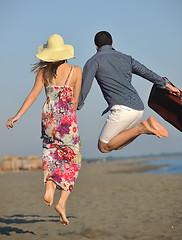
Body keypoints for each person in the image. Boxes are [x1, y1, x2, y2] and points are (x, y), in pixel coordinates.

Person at [6, 34, 82, 226]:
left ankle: (49, 187)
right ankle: (62, 202)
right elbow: (75, 101)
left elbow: (33, 95)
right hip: (66, 118)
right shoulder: (76, 70)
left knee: (51, 154)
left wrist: (17, 115)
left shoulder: (44, 72)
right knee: (72, 160)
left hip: (48, 116)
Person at [78, 31, 179, 153]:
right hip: (138, 109)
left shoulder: (93, 61)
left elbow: (85, 88)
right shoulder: (126, 58)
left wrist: (77, 106)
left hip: (122, 109)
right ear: (112, 43)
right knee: (118, 144)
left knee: (103, 147)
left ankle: (142, 128)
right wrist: (167, 85)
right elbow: (147, 72)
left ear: (95, 46)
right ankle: (143, 127)